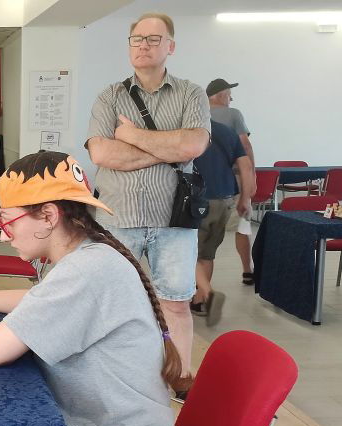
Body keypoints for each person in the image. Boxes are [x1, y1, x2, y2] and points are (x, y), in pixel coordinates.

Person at [0, 151, 187, 426]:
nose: (4, 237)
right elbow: (38, 299)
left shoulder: (85, 270)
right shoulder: (89, 253)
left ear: (48, 216)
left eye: (7, 221)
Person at [84, 12, 210, 377]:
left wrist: (132, 136)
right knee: (110, 304)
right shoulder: (110, 96)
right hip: (116, 218)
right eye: (137, 39)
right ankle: (116, 377)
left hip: (174, 220)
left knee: (177, 304)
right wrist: (169, 148)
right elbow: (101, 154)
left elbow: (193, 145)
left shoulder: (191, 94)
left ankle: (180, 378)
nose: (143, 45)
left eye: (154, 39)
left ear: (171, 46)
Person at [191, 121, 255, 326]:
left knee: (187, 251)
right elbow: (246, 166)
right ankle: (199, 301)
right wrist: (245, 198)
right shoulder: (227, 131)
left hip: (196, 200)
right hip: (225, 199)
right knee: (207, 254)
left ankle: (207, 293)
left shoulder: (189, 130)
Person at [207, 78, 258, 286]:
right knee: (242, 226)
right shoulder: (233, 114)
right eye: (229, 95)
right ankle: (247, 270)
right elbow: (245, 146)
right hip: (235, 180)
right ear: (220, 95)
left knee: (205, 237)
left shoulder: (198, 114)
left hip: (206, 183)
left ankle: (201, 284)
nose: (231, 99)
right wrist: (252, 176)